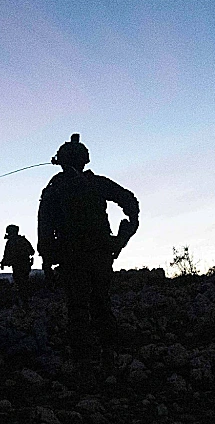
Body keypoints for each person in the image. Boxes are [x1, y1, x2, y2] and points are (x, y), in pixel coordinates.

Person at [37, 134, 139, 375]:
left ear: (61, 162)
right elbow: (130, 203)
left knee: (78, 306)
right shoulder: (97, 183)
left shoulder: (54, 190)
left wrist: (48, 262)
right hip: (101, 253)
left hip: (72, 256)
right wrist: (122, 238)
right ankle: (108, 353)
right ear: (85, 160)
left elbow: (44, 229)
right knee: (101, 301)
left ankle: (83, 362)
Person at [0, 224, 35, 306]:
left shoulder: (11, 242)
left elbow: (6, 255)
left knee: (20, 284)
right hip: (25, 265)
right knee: (24, 282)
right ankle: (25, 301)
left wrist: (3, 263)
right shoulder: (23, 240)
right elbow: (32, 251)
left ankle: (23, 302)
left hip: (18, 266)